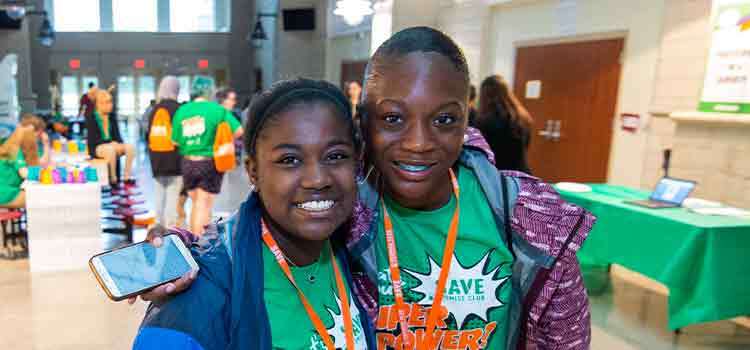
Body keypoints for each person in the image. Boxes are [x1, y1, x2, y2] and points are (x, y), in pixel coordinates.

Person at [136, 27, 595, 350]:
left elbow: (565, 339)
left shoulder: (530, 219)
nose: (418, 143)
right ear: (363, 125)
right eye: (393, 119)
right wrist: (177, 250)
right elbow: (254, 232)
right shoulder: (347, 202)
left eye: (444, 120)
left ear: (466, 118)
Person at [133, 78, 375, 349]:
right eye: (289, 160)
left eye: (335, 156)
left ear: (357, 160)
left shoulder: (360, 250)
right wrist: (196, 248)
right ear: (253, 172)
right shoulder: (201, 298)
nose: (317, 179)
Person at [171, 76, 243, 235]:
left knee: (196, 204)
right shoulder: (217, 110)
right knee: (203, 206)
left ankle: (194, 241)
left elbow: (175, 141)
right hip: (209, 163)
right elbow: (239, 131)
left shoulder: (182, 111)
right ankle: (198, 247)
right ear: (210, 91)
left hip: (187, 163)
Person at [476, 74, 533, 173]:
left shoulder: (485, 122)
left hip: (498, 177)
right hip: (521, 174)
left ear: (484, 96)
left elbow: (482, 156)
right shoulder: (522, 118)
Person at [147, 76, 183, 228]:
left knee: (159, 193)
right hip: (174, 159)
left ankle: (157, 224)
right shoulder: (179, 109)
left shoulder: (154, 109)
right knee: (173, 194)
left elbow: (148, 135)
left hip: (156, 159)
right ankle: (170, 227)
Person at [85, 89, 136, 188]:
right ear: (100, 104)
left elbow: (118, 136)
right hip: (97, 147)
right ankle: (113, 180)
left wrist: (119, 144)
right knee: (110, 149)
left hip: (111, 145)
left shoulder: (112, 116)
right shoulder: (91, 117)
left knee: (130, 147)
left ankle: (126, 177)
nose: (111, 105)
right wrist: (110, 143)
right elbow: (94, 140)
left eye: (111, 102)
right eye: (108, 102)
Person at [0, 115, 48, 208]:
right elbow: (24, 173)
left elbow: (42, 162)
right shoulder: (16, 147)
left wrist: (46, 143)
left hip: (8, 189)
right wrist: (46, 175)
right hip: (4, 192)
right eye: (38, 135)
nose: (37, 139)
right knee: (40, 199)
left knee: (39, 197)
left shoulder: (21, 144)